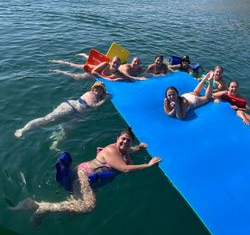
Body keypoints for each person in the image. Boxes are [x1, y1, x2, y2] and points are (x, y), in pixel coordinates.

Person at [9, 128, 162, 226]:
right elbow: (125, 169)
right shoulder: (111, 151)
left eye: (128, 140)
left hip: (91, 180)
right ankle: (42, 206)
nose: (125, 142)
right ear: (117, 139)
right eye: (122, 139)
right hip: (83, 176)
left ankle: (44, 210)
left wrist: (140, 148)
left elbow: (130, 151)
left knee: (77, 208)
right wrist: (148, 165)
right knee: (88, 206)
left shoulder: (125, 150)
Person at [14, 82, 109, 138]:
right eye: (96, 88)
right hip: (71, 107)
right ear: (93, 88)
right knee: (48, 119)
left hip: (78, 114)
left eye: (100, 89)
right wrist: (105, 99)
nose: (98, 90)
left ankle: (55, 141)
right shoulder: (90, 94)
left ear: (102, 92)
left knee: (67, 130)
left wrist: (104, 95)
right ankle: (23, 129)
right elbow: (94, 106)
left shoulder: (98, 96)